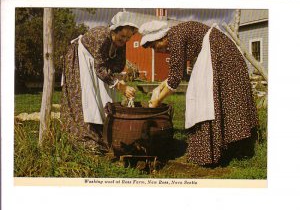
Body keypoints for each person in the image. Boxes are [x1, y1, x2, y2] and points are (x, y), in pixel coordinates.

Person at [139, 20, 258, 166]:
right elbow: (175, 73)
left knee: (209, 99)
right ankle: (228, 148)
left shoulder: (175, 37)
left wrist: (156, 102)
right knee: (219, 100)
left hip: (222, 56)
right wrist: (160, 87)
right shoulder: (176, 34)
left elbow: (176, 78)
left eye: (154, 46)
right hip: (220, 52)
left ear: (161, 38)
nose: (156, 50)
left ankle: (223, 150)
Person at [60, 12, 137, 154]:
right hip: (79, 57)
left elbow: (118, 65)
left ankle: (104, 135)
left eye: (128, 37)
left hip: (96, 64)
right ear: (114, 31)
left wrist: (117, 81)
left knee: (103, 97)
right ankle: (84, 138)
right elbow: (100, 68)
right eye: (122, 36)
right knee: (85, 98)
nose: (125, 40)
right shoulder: (101, 37)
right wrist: (120, 85)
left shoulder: (121, 43)